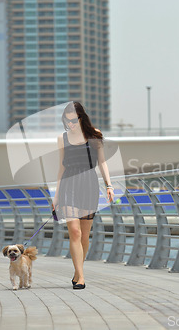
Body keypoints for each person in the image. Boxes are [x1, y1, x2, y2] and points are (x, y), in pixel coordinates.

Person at [52, 102, 114, 289]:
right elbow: (61, 166)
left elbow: (102, 162)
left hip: (88, 184)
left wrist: (109, 185)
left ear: (81, 118)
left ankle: (77, 271)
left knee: (85, 235)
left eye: (73, 120)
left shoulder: (94, 134)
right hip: (69, 184)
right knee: (75, 231)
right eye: (67, 120)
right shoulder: (62, 138)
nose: (70, 123)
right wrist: (55, 196)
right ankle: (81, 277)